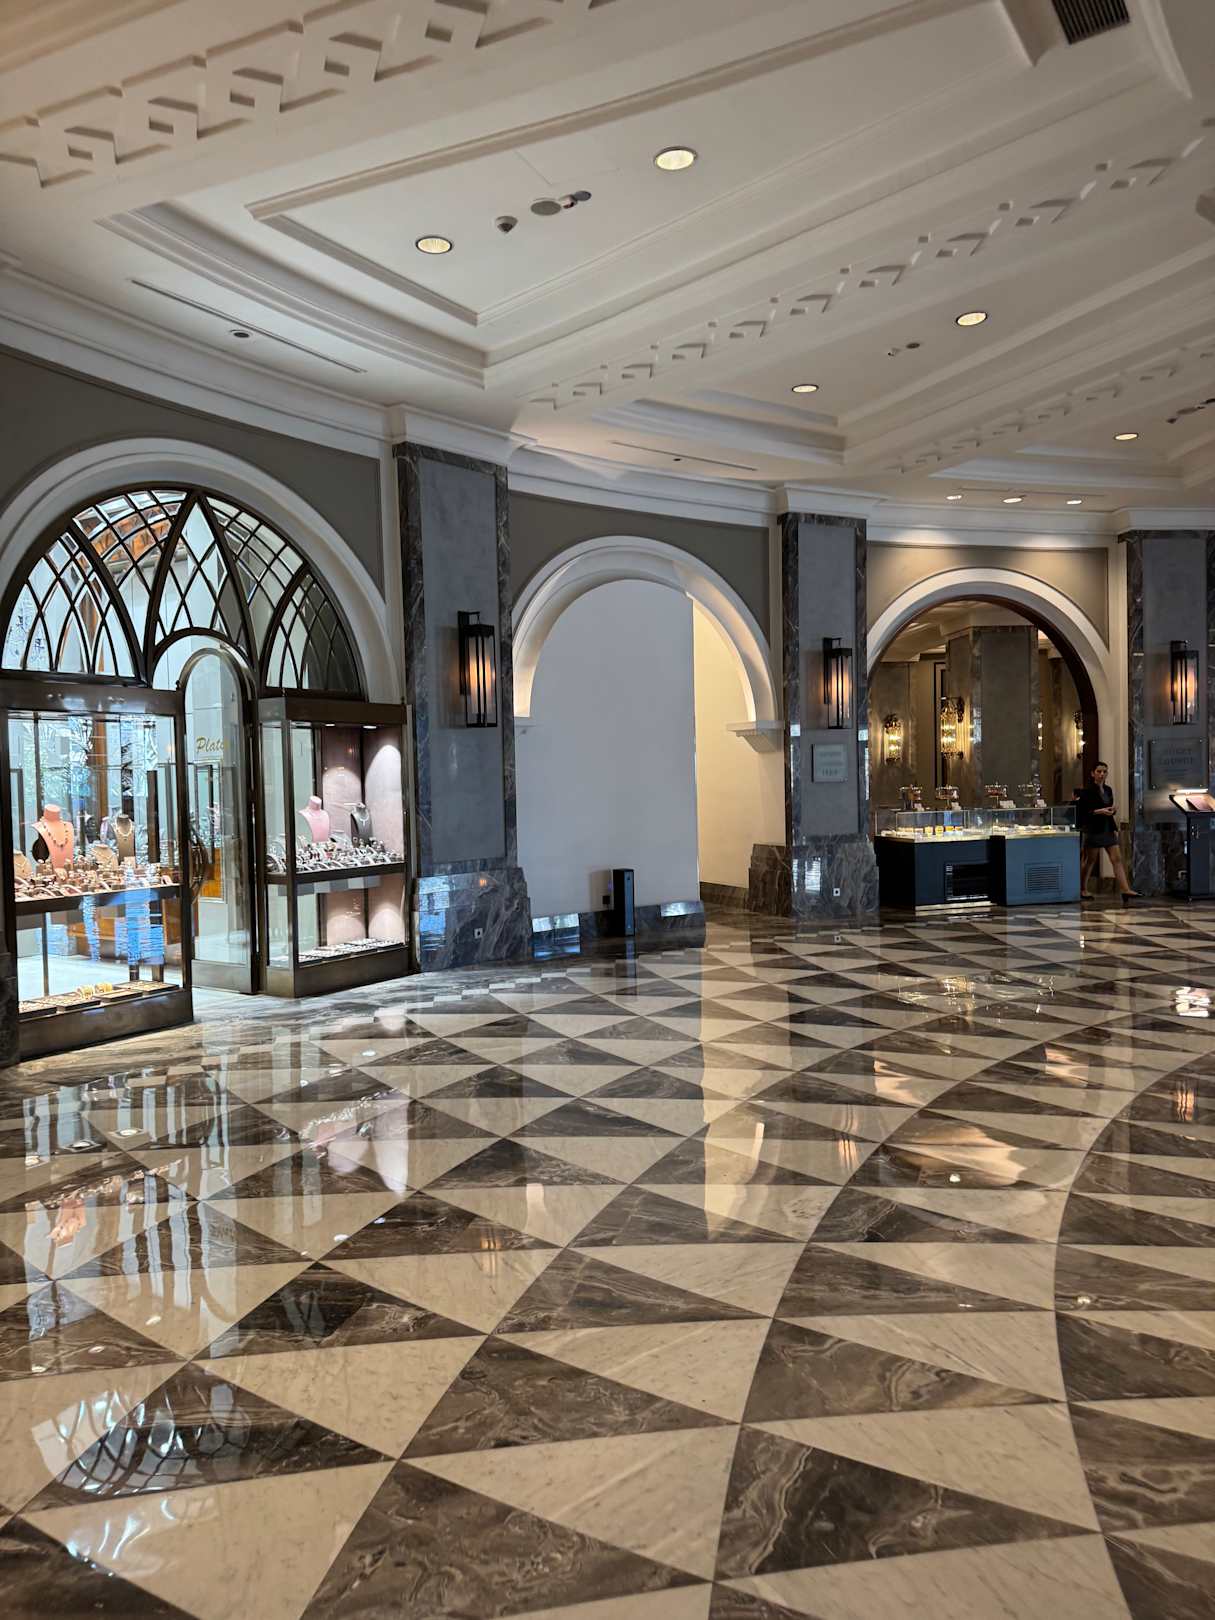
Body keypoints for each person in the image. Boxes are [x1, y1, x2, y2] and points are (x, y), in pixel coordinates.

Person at [1075, 761, 1139, 901]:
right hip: (1094, 829)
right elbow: (1084, 813)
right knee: (1090, 860)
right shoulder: (1087, 791)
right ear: (1093, 773)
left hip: (1107, 828)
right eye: (1099, 771)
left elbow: (1108, 807)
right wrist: (1099, 811)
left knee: (1117, 858)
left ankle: (1125, 890)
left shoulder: (1108, 790)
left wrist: (1112, 811)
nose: (1102, 774)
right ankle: (1082, 889)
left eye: (1104, 772)